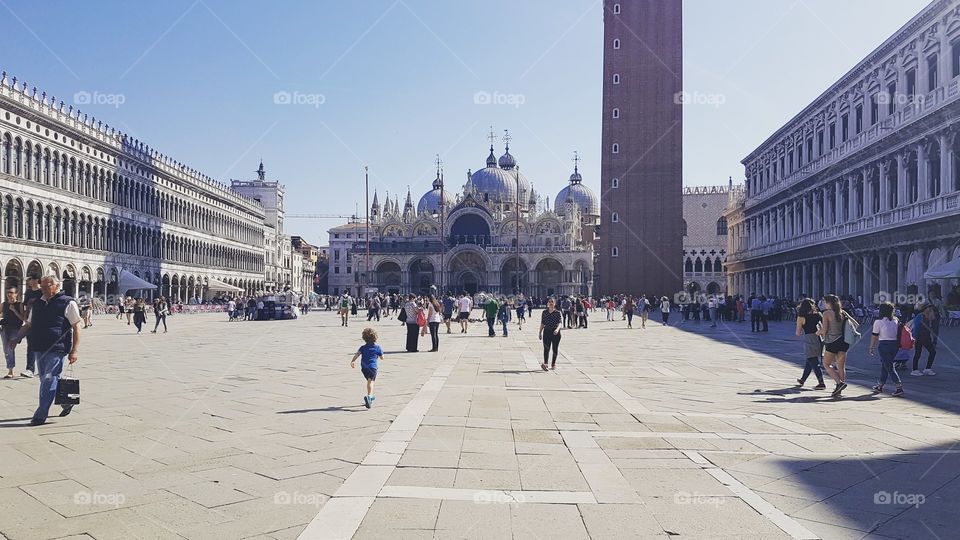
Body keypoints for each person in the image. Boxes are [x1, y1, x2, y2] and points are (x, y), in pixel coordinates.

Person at [8, 275, 82, 425]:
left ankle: (40, 415)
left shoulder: (68, 303)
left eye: (46, 287)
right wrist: (17, 338)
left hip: (58, 347)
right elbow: (28, 324)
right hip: (39, 347)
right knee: (46, 379)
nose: (43, 290)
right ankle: (66, 402)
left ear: (56, 286)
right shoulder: (37, 304)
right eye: (42, 287)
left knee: (49, 378)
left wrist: (75, 350)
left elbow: (76, 327)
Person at [868, 302, 904, 397]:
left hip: (884, 344)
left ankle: (898, 386)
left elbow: (874, 336)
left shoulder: (878, 322)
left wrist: (871, 347)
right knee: (885, 365)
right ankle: (880, 385)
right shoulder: (896, 320)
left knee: (889, 367)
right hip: (895, 345)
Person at [819, 294, 849, 397]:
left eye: (824, 302)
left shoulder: (826, 313)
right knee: (841, 367)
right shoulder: (842, 312)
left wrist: (818, 332)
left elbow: (825, 330)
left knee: (826, 364)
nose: (824, 304)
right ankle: (839, 389)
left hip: (832, 342)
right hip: (843, 341)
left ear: (828, 303)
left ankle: (839, 383)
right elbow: (855, 324)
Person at [794, 299, 825, 389]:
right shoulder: (818, 315)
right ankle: (803, 379)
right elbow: (825, 327)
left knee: (813, 360)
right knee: (810, 360)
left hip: (809, 338)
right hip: (819, 338)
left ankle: (821, 382)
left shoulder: (801, 317)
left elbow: (798, 332)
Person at [350, 328, 383, 409]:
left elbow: (357, 354)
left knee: (369, 380)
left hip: (364, 368)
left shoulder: (362, 347)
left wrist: (353, 361)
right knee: (371, 382)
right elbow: (382, 357)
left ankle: (370, 396)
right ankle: (369, 396)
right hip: (373, 367)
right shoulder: (377, 347)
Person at [910, 304, 939, 376]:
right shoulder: (920, 316)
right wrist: (914, 338)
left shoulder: (927, 316)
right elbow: (916, 328)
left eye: (931, 309)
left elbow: (933, 321)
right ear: (925, 309)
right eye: (929, 309)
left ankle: (917, 369)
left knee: (919, 353)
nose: (930, 310)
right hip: (921, 337)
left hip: (926, 336)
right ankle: (923, 369)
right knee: (931, 352)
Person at [2, 288, 24, 379]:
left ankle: (10, 371)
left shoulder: (19, 305)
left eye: (11, 292)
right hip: (4, 329)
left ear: (16, 294)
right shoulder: (4, 304)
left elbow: (23, 318)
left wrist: (14, 310)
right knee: (5, 350)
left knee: (10, 348)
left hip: (15, 329)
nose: (9, 294)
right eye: (8, 292)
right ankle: (10, 369)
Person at [539, 298, 563, 371]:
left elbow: (560, 323)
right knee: (546, 349)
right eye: (549, 302)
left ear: (554, 303)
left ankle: (553, 364)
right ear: (548, 303)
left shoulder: (558, 312)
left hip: (555, 333)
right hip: (546, 332)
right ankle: (545, 363)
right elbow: (542, 323)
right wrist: (540, 332)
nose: (551, 303)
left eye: (552, 302)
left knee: (554, 349)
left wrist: (557, 329)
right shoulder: (544, 312)